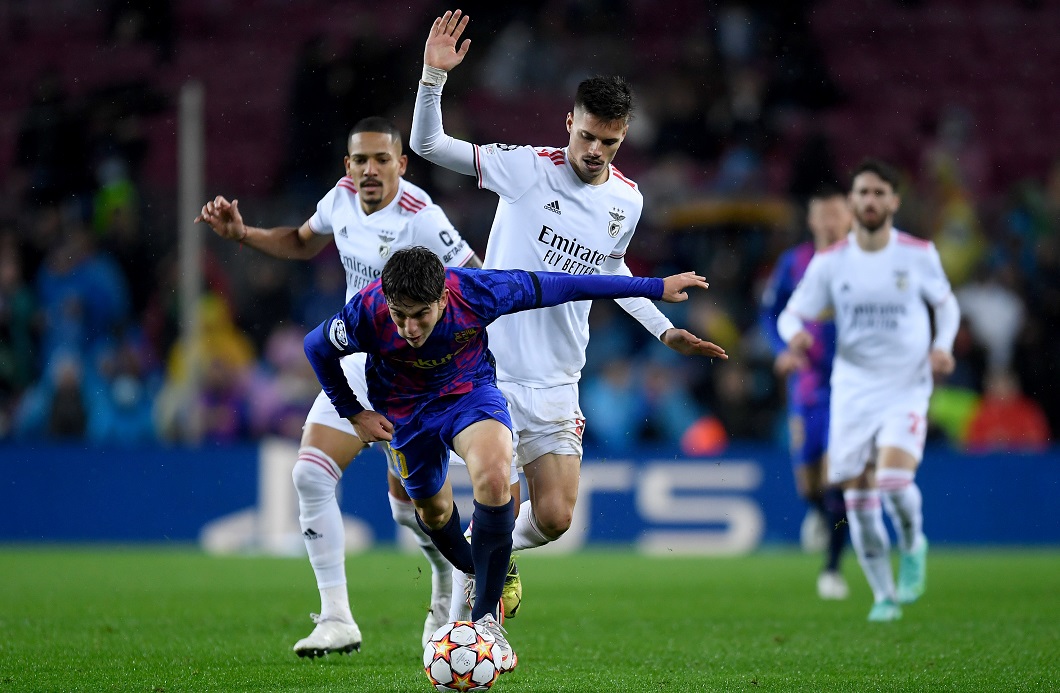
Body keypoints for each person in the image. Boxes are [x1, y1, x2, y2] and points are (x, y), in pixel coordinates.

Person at [410, 9, 728, 621]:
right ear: (569, 125)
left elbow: (611, 271)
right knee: (480, 492)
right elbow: (427, 145)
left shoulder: (625, 200)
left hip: (558, 377)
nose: (595, 151)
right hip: (490, 369)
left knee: (555, 518)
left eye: (609, 142)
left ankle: (488, 554)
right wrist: (432, 78)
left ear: (624, 136)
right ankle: (469, 606)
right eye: (587, 137)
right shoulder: (527, 168)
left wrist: (663, 329)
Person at [303, 245, 714, 672]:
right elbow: (316, 347)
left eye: (420, 314)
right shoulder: (366, 311)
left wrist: (654, 287)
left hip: (469, 395)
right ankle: (480, 566)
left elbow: (566, 286)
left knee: (497, 475)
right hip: (405, 413)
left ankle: (485, 623)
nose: (409, 327)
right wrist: (354, 412)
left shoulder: (478, 291)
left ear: (443, 296)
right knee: (434, 509)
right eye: (399, 314)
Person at [195, 116, 511, 656]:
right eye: (360, 160)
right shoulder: (339, 198)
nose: (369, 170)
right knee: (309, 475)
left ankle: (449, 578)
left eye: (382, 159)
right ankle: (337, 618)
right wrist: (242, 234)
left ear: (401, 164)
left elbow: (475, 283)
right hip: (356, 365)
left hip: (414, 374)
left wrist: (461, 365)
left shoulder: (423, 218)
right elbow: (299, 242)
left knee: (411, 511)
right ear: (348, 166)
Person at [778, 159, 960, 622]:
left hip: (905, 387)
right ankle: (884, 596)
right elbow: (791, 313)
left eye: (880, 193)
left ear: (894, 201)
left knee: (894, 482)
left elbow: (946, 304)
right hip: (853, 392)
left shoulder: (918, 253)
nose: (871, 201)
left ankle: (913, 542)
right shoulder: (831, 262)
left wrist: (941, 346)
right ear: (853, 202)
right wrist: (794, 335)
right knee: (857, 499)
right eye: (863, 193)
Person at [760, 185, 851, 600]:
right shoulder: (794, 263)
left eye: (838, 214)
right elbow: (771, 311)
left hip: (853, 386)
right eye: (824, 215)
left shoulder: (866, 263)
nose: (831, 222)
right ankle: (823, 518)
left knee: (838, 479)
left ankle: (832, 569)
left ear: (849, 218)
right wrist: (783, 350)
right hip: (808, 385)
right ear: (813, 220)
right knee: (810, 486)